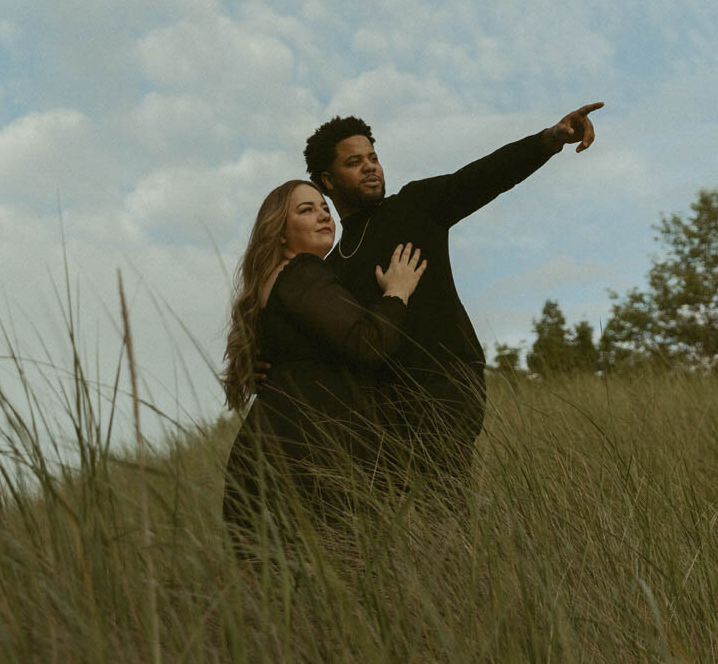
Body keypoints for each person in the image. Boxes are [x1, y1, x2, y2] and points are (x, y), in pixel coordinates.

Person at [303, 103, 603, 492]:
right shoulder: (335, 267)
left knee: (442, 509)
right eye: (355, 162)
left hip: (446, 387)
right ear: (327, 180)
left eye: (373, 158)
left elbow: (481, 177)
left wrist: (549, 139)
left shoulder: (413, 207)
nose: (371, 167)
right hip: (383, 411)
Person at [221, 179, 425, 558]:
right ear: (279, 232)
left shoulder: (274, 283)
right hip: (307, 464)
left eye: (325, 208)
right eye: (306, 209)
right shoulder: (301, 273)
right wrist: (397, 292)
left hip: (266, 462)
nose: (323, 215)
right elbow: (369, 345)